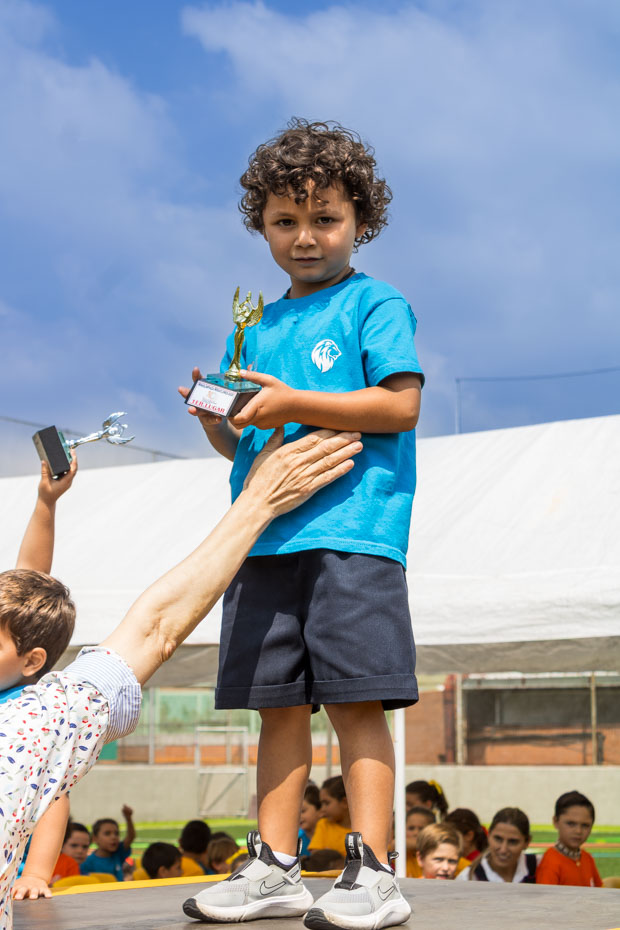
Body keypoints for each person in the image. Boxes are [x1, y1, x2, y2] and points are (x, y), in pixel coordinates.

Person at [180, 118, 423, 930]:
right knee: (273, 707)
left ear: (362, 221)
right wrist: (218, 419)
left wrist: (287, 401)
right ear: (262, 226)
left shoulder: (375, 302)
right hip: (264, 538)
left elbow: (399, 403)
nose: (306, 237)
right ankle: (276, 866)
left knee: (358, 703)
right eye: (286, 221)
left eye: (326, 219)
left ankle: (376, 871)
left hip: (354, 537)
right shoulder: (253, 327)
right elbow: (245, 447)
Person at [1, 425, 362, 929]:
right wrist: (256, 505)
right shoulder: (33, 725)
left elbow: (24, 604)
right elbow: (153, 629)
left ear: (32, 661)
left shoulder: (31, 717)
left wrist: (45, 504)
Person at [4, 456, 78, 903]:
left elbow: (53, 793)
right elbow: (26, 582)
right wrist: (45, 503)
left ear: (31, 661)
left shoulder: (31, 713)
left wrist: (36, 872)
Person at [536, 791, 602, 887]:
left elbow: (600, 891)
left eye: (585, 825)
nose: (578, 831)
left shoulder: (587, 858)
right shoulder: (550, 862)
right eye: (571, 824)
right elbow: (546, 901)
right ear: (555, 821)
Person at [458, 808, 536, 883]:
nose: (503, 849)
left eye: (513, 842)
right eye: (498, 839)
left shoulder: (539, 868)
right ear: (488, 836)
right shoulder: (468, 878)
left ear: (527, 842)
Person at [80, 805, 136, 881]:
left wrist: (128, 818)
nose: (113, 837)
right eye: (107, 833)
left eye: (116, 833)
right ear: (95, 838)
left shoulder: (118, 854)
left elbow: (130, 837)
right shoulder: (87, 863)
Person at [308, 776, 350, 858]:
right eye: (321, 804)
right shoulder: (323, 825)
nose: (322, 809)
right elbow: (316, 856)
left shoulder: (361, 828)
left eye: (326, 803)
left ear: (344, 802)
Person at [405, 807, 435, 877]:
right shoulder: (396, 850)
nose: (416, 832)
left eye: (421, 828)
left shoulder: (437, 852)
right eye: (411, 828)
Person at [299, 784, 321, 856]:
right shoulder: (296, 838)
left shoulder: (329, 835)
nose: (298, 816)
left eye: (303, 811)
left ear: (319, 810)